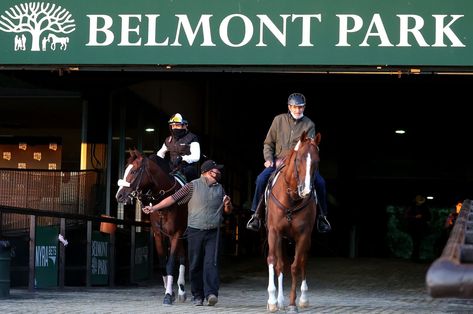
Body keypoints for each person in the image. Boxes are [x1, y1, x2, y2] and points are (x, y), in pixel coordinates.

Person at [142, 159, 233, 307]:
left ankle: (211, 294)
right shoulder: (192, 186)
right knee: (195, 263)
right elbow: (172, 199)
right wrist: (154, 208)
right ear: (207, 172)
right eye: (216, 170)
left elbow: (228, 211)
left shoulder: (220, 188)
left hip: (213, 232)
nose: (219, 172)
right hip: (195, 230)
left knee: (212, 263)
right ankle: (198, 295)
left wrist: (228, 205)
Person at [246, 92, 331, 233]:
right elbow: (268, 143)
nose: (298, 110)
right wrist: (268, 159)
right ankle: (256, 215)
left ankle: (322, 217)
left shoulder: (309, 124)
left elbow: (309, 147)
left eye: (301, 107)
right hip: (279, 162)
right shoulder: (278, 120)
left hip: (301, 163)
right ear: (289, 107)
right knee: (260, 179)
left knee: (321, 183)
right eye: (295, 107)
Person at [156, 113, 200, 181]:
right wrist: (159, 162)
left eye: (177, 125)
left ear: (185, 125)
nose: (175, 128)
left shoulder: (192, 137)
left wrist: (182, 158)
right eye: (173, 126)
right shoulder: (168, 139)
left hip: (187, 170)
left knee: (190, 172)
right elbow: (160, 153)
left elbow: (196, 157)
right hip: (172, 169)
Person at [405, 195, 431, 261]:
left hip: (421, 227)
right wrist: (415, 217)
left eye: (421, 201)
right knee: (415, 242)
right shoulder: (412, 207)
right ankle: (414, 256)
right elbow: (407, 216)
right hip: (413, 226)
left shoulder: (425, 208)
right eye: (419, 201)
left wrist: (423, 217)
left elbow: (429, 216)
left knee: (418, 242)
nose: (420, 202)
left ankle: (416, 256)